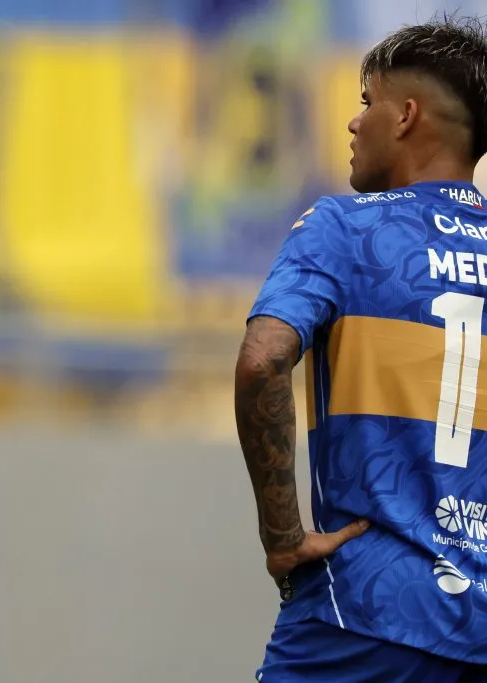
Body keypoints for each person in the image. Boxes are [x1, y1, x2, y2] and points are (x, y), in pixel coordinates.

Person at [237, 18, 487, 682]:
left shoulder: (345, 228)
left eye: (366, 101)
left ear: (405, 116)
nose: (352, 123)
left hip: (363, 613)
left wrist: (282, 535)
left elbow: (263, 357)